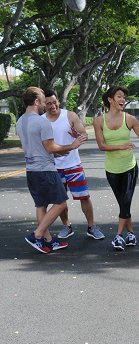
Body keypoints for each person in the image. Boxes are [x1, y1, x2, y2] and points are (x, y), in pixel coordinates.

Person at [93, 85, 139, 251]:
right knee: (123, 204)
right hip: (111, 169)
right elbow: (101, 146)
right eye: (119, 96)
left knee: (126, 200)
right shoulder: (99, 121)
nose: (122, 100)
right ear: (110, 99)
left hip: (129, 167)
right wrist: (121, 146)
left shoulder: (130, 119)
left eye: (124, 97)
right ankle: (131, 233)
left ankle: (119, 236)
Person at [17, 87, 87, 253]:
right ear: (36, 101)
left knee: (41, 205)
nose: (45, 104)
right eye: (42, 100)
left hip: (31, 170)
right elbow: (50, 147)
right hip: (45, 170)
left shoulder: (20, 121)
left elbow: (38, 147)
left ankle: (47, 241)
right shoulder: (42, 121)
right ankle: (38, 234)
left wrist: (61, 151)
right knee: (61, 202)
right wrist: (72, 145)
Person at [43, 89, 105, 241]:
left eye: (54, 102)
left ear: (58, 101)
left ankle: (91, 227)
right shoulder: (41, 120)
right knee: (60, 200)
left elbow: (84, 134)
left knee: (84, 196)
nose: (52, 106)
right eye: (48, 103)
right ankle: (66, 226)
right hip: (54, 167)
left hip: (73, 165)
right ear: (44, 105)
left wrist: (78, 135)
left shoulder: (69, 115)